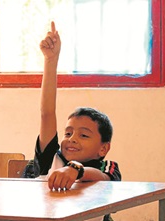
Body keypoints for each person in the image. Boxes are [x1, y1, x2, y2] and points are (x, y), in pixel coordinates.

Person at [34, 21, 121, 221]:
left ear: (103, 149)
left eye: (83, 135)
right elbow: (47, 112)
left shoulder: (107, 168)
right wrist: (50, 60)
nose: (71, 139)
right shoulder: (51, 159)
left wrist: (75, 169)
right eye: (68, 133)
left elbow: (103, 178)